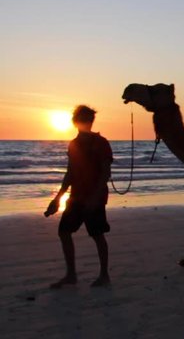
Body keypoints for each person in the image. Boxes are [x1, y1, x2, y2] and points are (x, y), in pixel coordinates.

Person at [44, 105, 113, 288]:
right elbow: (70, 173)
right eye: (80, 119)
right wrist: (57, 199)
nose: (84, 122)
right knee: (64, 232)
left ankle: (104, 275)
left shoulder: (101, 143)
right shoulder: (73, 144)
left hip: (95, 198)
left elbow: (106, 173)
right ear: (75, 121)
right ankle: (71, 275)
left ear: (91, 122)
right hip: (76, 197)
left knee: (97, 235)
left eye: (87, 119)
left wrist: (95, 198)